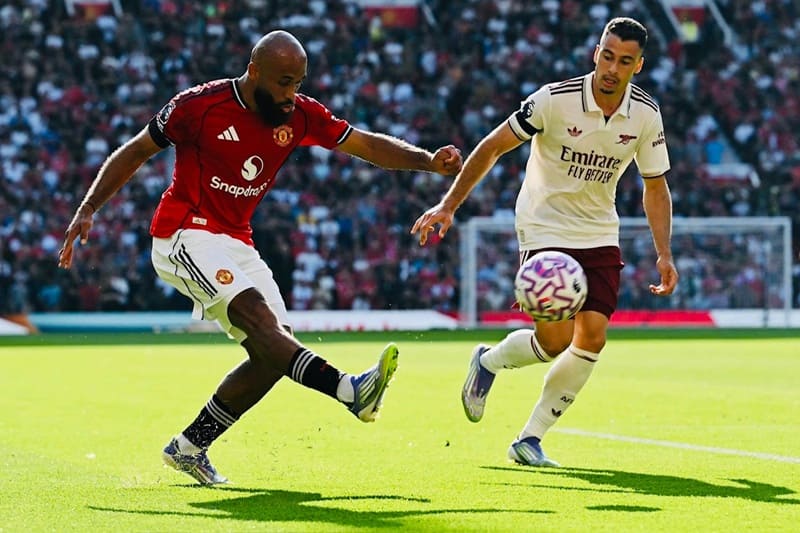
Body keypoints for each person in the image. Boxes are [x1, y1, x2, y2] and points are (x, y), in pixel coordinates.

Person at [58, 30, 463, 485]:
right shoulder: (199, 106)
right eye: (284, 82)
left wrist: (429, 161)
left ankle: (189, 447)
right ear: (255, 72)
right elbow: (136, 150)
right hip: (183, 234)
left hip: (236, 240)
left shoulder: (303, 114)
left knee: (275, 352)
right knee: (262, 324)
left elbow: (367, 145)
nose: (292, 94)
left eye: (299, 82)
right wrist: (89, 208)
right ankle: (350, 390)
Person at [411, 17, 678, 467]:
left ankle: (529, 438)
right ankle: (490, 361)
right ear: (597, 53)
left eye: (625, 61)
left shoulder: (646, 115)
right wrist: (449, 204)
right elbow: (493, 145)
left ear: (639, 65)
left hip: (598, 230)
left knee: (592, 336)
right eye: (607, 56)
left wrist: (664, 252)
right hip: (543, 224)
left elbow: (655, 185)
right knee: (554, 341)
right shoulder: (554, 100)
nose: (613, 67)